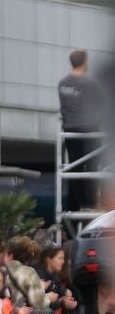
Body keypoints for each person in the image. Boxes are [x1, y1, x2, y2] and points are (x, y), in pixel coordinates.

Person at [59, 49, 107, 212]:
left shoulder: (63, 83)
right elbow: (103, 105)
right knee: (93, 165)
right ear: (85, 62)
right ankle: (91, 202)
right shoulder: (89, 83)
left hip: (70, 129)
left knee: (74, 168)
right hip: (88, 129)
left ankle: (75, 204)